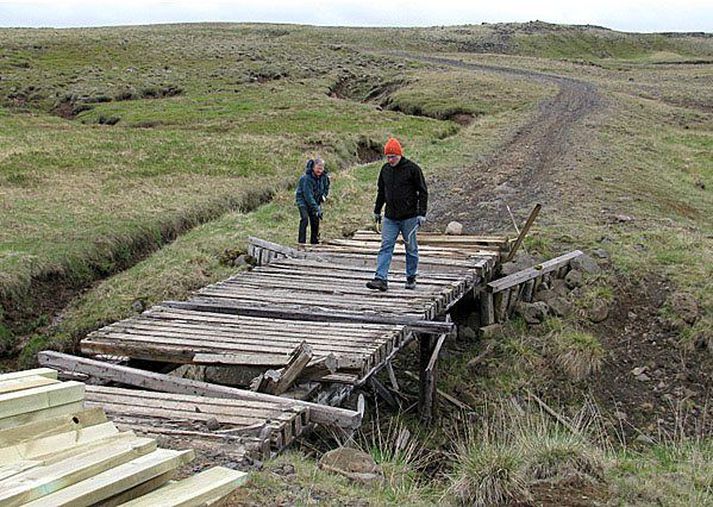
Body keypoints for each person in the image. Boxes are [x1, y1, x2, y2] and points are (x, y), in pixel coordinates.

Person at [366, 138, 427, 291]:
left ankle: (411, 276)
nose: (390, 159)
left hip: (409, 217)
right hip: (390, 217)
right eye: (388, 156)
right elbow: (381, 191)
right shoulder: (385, 170)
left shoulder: (413, 169)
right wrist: (377, 210)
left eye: (393, 156)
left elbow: (423, 191)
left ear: (399, 154)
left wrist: (421, 213)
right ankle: (381, 278)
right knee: (386, 246)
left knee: (411, 248)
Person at [295, 157, 330, 244]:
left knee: (315, 221)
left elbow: (326, 188)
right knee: (305, 219)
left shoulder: (324, 178)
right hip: (303, 201)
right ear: (313, 167)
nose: (319, 170)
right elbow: (308, 196)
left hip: (315, 201)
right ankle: (301, 243)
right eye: (318, 168)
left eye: (321, 168)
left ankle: (314, 242)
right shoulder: (306, 179)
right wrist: (316, 208)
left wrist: (323, 196)